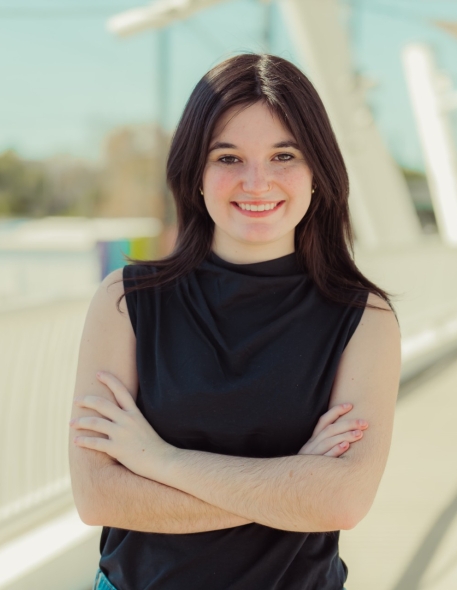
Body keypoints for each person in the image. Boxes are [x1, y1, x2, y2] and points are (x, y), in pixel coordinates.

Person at [68, 53, 401, 590]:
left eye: (283, 155)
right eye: (228, 158)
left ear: (318, 170)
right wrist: (293, 485)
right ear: (195, 173)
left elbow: (341, 500)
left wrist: (159, 460)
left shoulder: (365, 318)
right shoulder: (125, 302)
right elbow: (98, 497)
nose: (256, 182)